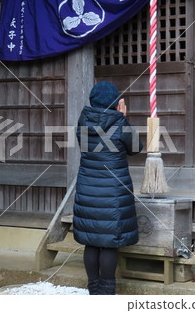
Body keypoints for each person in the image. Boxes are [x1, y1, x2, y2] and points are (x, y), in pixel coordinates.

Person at [73, 81, 143, 295]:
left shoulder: (83, 122)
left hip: (87, 188)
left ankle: (93, 289)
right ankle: (107, 291)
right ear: (116, 103)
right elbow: (135, 149)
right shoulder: (120, 124)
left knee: (91, 241)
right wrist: (124, 118)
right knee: (109, 242)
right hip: (113, 190)